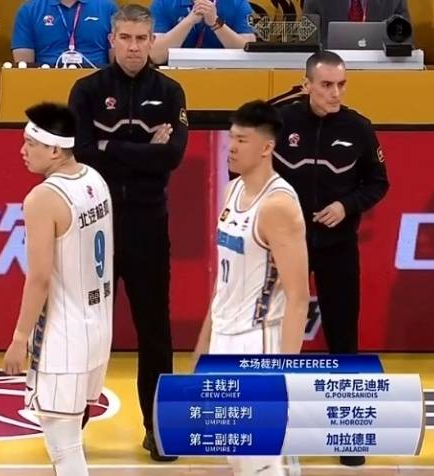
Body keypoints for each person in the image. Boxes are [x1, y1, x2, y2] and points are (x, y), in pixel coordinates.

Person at [67, 3, 187, 462]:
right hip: (94, 226)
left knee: (154, 329)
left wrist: (109, 146)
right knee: (87, 328)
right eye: (126, 38)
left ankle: (158, 428)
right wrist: (141, 150)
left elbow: (172, 156)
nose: (134, 47)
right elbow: (80, 153)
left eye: (142, 39)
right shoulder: (87, 90)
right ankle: (69, 426)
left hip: (148, 224)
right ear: (112, 40)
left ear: (152, 41)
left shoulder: (170, 91)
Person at [271, 50, 389, 468]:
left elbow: (378, 183)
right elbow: (245, 173)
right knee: (277, 336)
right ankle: (275, 424)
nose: (335, 93)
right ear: (306, 85)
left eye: (341, 84)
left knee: (343, 336)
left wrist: (346, 205)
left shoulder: (359, 129)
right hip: (285, 247)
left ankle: (347, 432)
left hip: (337, 247)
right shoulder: (279, 122)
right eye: (326, 85)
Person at [193, 99, 309, 476]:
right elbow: (223, 280)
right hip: (223, 338)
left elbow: (298, 298)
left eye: (242, 140)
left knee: (261, 462)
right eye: (231, 138)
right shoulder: (231, 191)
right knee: (235, 456)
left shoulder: (278, 206)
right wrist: (204, 345)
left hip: (258, 341)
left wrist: (286, 373)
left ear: (266, 147)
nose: (232, 147)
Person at [2, 102, 114, 476]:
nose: (22, 150)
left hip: (65, 337)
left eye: (30, 143)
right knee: (69, 442)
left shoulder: (43, 198)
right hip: (97, 327)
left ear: (54, 149)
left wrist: (19, 338)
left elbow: (39, 278)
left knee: (64, 449)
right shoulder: (95, 179)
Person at [12, 0, 118, 68]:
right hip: (45, 80)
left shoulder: (107, 8)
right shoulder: (29, 10)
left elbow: (117, 62)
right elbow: (24, 66)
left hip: (97, 82)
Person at [148, 0, 257, 64]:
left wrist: (216, 23)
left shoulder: (239, 3)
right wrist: (189, 21)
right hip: (175, 75)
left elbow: (249, 52)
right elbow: (156, 56)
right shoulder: (163, 3)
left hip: (228, 75)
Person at [303, 0, 412, 47]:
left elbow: (406, 44)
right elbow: (306, 43)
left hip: (380, 70)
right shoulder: (315, 1)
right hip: (330, 69)